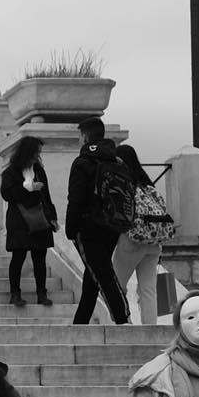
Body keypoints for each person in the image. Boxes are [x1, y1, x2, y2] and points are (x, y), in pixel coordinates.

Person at [65, 117, 133, 326]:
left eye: (79, 136)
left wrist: (70, 228)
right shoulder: (117, 161)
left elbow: (75, 198)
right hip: (112, 225)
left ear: (85, 136)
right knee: (93, 273)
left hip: (88, 227)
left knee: (102, 274)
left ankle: (122, 319)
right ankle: (80, 323)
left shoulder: (83, 161)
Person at [109, 139, 170, 323]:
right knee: (149, 289)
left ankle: (123, 323)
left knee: (116, 286)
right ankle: (150, 328)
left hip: (132, 241)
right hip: (153, 243)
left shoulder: (123, 184)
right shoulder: (148, 184)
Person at [0, 135, 58, 307]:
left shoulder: (39, 170)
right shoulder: (10, 172)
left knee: (40, 258)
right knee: (18, 257)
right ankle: (15, 294)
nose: (37, 156)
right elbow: (7, 194)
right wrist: (30, 188)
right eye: (35, 152)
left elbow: (47, 195)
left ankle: (42, 294)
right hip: (19, 220)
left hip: (40, 219)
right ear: (27, 152)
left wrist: (52, 217)